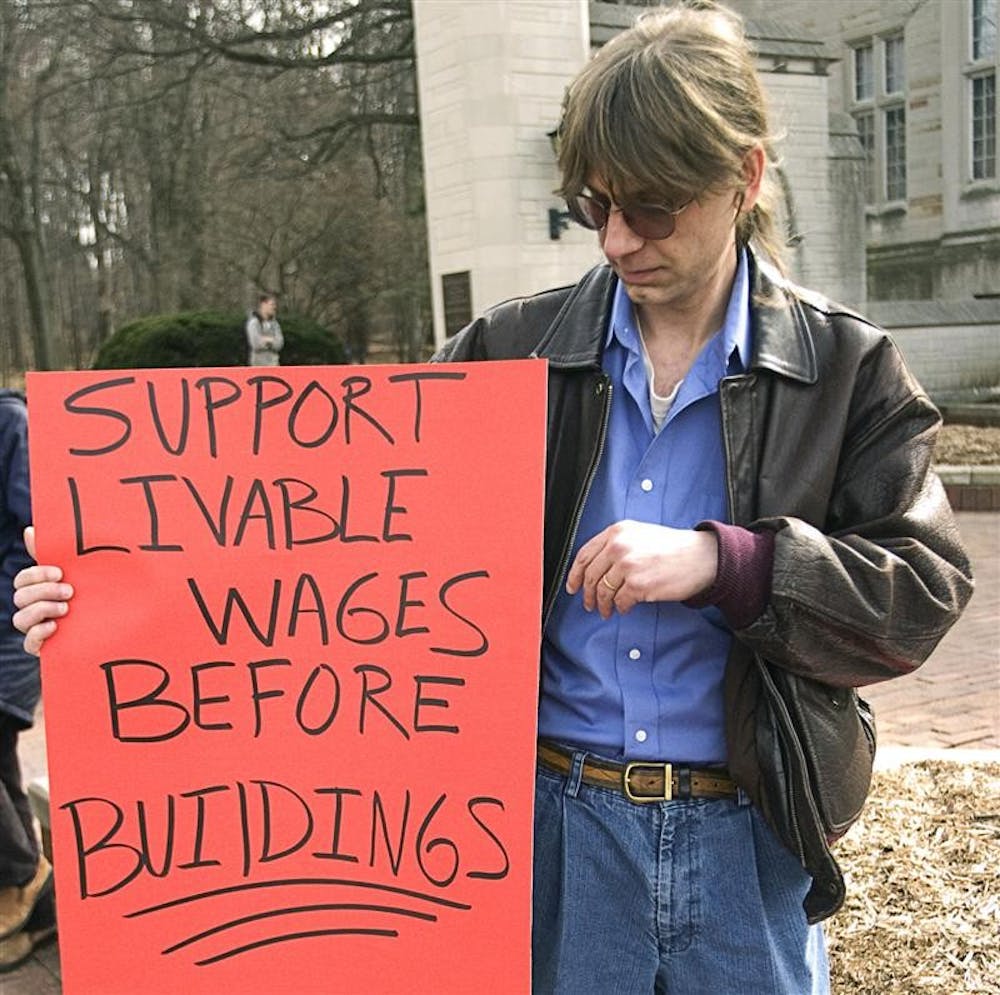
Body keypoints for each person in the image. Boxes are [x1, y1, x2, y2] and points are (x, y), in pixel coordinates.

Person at [12, 2, 974, 992]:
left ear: (744, 176)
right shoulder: (506, 355)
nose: (615, 239)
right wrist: (105, 606)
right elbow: (327, 567)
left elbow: (921, 589)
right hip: (554, 829)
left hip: (752, 834)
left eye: (650, 206)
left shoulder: (845, 366)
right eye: (594, 205)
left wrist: (726, 562)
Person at [0, 389, 55, 972]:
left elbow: (41, 532)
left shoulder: (10, 425)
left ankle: (21, 886)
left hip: (12, 624)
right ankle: (32, 908)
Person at [244, 292, 283, 366]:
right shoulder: (254, 323)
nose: (274, 307)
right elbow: (256, 344)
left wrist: (266, 340)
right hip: (258, 365)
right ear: (263, 305)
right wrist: (271, 341)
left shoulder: (275, 324)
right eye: (272, 304)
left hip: (274, 364)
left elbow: (279, 343)